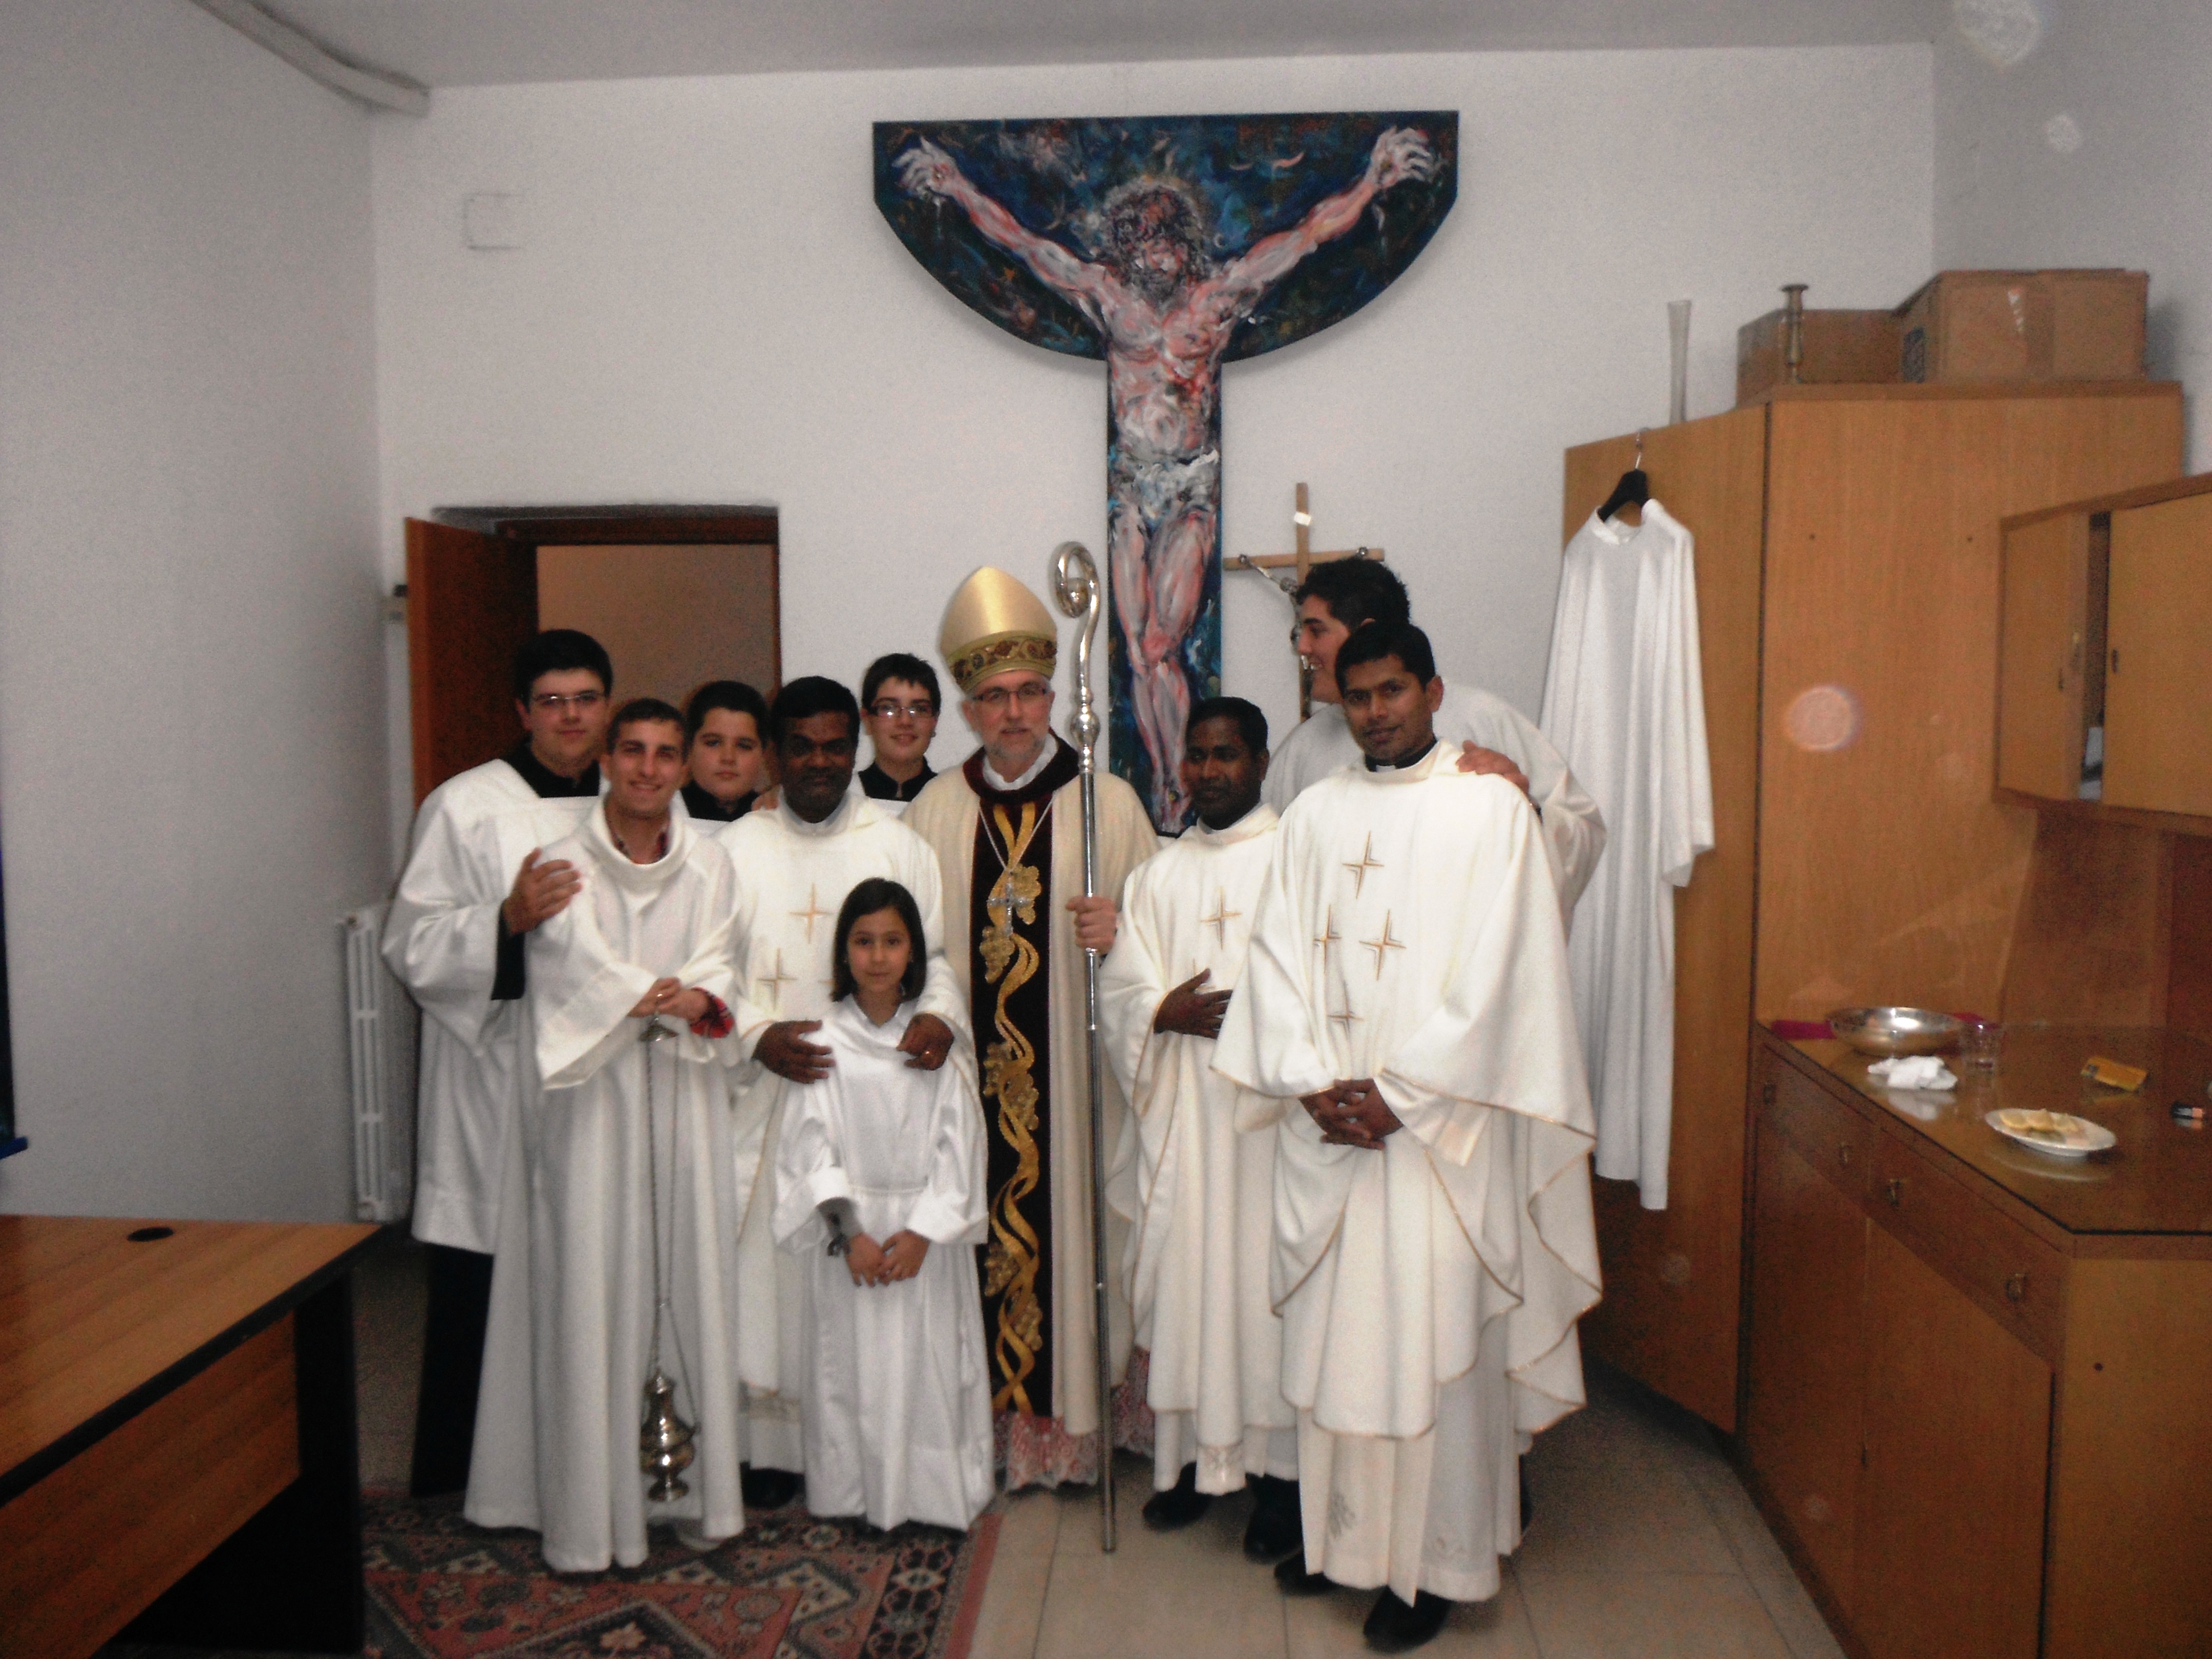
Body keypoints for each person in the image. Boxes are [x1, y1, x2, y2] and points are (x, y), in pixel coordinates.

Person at [1215, 623, 1599, 1653]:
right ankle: (1341, 1542)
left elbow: (1508, 973)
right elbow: (1275, 959)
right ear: (1337, 702)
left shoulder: (1490, 809)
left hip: (1439, 1137)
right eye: (1359, 696)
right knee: (1339, 1338)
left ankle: (1437, 1566)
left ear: (1433, 691)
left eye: (1394, 691)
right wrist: (1308, 1081)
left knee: (1431, 1347)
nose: (1377, 712)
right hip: (1333, 1131)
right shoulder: (1314, 815)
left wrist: (1404, 1095)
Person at [898, 130, 1438, 828]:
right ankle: (1164, 780)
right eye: (1140, 241)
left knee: (1162, 644)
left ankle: (1178, 786)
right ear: (1125, 246)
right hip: (1131, 488)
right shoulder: (1105, 296)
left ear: (1185, 244)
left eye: (1164, 241)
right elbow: (1027, 246)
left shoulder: (1219, 298)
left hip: (1188, 489)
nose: (1154, 254)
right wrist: (956, 185)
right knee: (1138, 657)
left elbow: (1308, 235)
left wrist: (1373, 179)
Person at [464, 698, 748, 1572]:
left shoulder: (712, 864)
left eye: (665, 754)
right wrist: (666, 998)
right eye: (633, 751)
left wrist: (682, 998)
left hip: (685, 1104)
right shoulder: (561, 863)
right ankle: (591, 1518)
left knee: (689, 1278)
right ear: (607, 760)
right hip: (590, 1111)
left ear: (683, 768)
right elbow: (568, 969)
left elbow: (724, 965)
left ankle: (694, 1499)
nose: (649, 769)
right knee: (588, 1288)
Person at [904, 566, 1158, 1490]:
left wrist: (1120, 933)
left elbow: (1158, 950)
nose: (1014, 712)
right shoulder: (936, 811)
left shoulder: (1108, 804)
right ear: (969, 710)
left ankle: (1081, 1424)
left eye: (1029, 692)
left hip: (1078, 1092)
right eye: (994, 697)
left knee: (1082, 1239)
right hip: (970, 1089)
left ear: (1054, 697)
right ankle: (992, 1431)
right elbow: (914, 950)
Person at [711, 675, 969, 1509]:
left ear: (854, 747)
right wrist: (757, 1036)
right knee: (764, 1281)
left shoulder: (897, 847)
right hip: (766, 1097)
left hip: (871, 1111)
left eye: (834, 746)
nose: (819, 763)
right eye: (801, 747)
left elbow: (940, 961)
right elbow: (707, 973)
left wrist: (939, 1018)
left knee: (858, 1298)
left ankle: (867, 1453)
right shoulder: (733, 851)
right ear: (774, 753)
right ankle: (770, 1448)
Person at [382, 628, 612, 1496]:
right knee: (489, 1271)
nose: (570, 718)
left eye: (585, 699)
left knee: (593, 1264)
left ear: (607, 705)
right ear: (522, 710)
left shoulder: (632, 799)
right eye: (552, 702)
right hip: (495, 1073)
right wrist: (504, 923)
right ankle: (459, 1476)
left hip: (598, 1072)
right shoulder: (464, 806)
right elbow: (412, 942)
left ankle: (585, 1464)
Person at [1098, 697, 1301, 1561]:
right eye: (1198, 755)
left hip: (1268, 1131)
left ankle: (1280, 1485)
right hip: (1183, 1121)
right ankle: (1184, 1465)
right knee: (1187, 1293)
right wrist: (1159, 1011)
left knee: (1264, 1302)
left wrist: (1257, 1018)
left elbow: (1319, 975)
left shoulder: (1295, 859)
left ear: (1260, 763)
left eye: (1228, 755)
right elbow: (1122, 988)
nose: (1209, 771)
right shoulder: (1159, 875)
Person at [772, 878, 994, 1532]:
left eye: (892, 941)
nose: (877, 957)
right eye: (864, 942)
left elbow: (960, 1142)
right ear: (844, 952)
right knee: (851, 1372)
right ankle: (852, 1494)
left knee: (928, 1369)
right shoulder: (823, 1041)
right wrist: (849, 1234)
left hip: (923, 1239)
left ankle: (933, 1495)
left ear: (913, 951)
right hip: (856, 1241)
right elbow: (809, 1149)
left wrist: (924, 1232)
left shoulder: (931, 1043)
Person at [1262, 559, 1606, 929]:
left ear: (1367, 631)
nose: (1303, 647)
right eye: (1359, 699)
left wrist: (1526, 815)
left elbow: (1581, 834)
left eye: (1316, 631)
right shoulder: (1303, 748)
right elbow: (1268, 875)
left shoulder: (1481, 718)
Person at [858, 652, 942, 813]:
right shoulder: (842, 800)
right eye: (888, 708)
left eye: (919, 709)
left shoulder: (957, 801)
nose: (905, 721)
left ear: (935, 721)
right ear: (867, 719)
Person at [681, 679, 771, 824]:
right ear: (689, 747)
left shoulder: (777, 823)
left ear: (763, 753)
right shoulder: (662, 816)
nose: (728, 758)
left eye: (744, 746)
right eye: (713, 743)